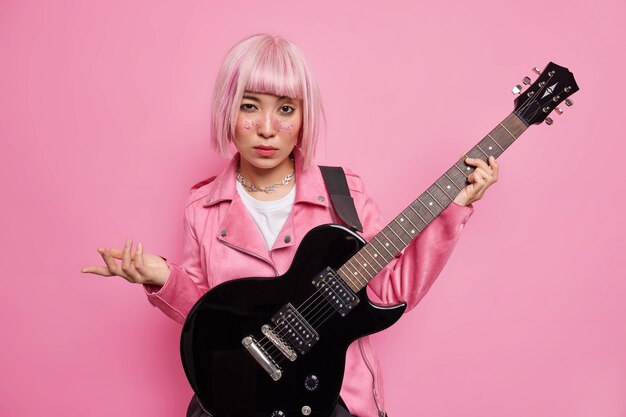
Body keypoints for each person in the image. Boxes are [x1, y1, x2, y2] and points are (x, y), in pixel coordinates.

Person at [82, 34, 499, 417]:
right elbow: (211, 319)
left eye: (285, 109)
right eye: (250, 106)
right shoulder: (202, 207)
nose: (267, 128)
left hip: (335, 398)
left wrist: (453, 209)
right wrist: (161, 276)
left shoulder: (343, 194)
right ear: (228, 110)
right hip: (242, 398)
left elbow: (390, 290)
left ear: (303, 116)